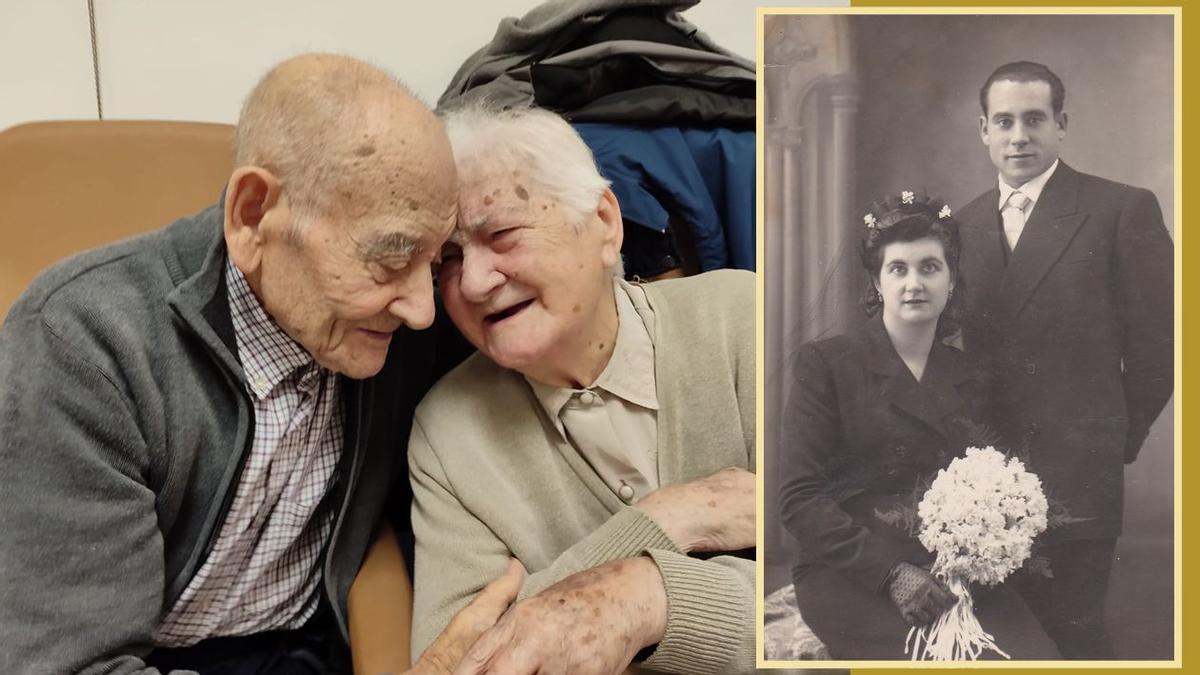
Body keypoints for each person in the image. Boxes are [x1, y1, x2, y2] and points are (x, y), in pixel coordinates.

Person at [0, 53, 512, 674]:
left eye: (432, 263)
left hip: (310, 646)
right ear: (252, 215)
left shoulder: (386, 324)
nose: (422, 310)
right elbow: (71, 664)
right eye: (391, 255)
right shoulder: (84, 346)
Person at [406, 105, 757, 675]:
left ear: (604, 222)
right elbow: (459, 661)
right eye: (447, 259)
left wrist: (655, 600)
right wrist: (672, 519)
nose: (471, 282)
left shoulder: (744, 319)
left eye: (502, 233)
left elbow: (875, 584)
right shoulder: (447, 431)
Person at [778, 193, 1060, 660]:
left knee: (1038, 660)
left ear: (951, 281)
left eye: (930, 268)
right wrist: (891, 573)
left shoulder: (974, 375)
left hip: (950, 571)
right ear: (877, 281)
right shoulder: (828, 365)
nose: (914, 283)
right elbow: (798, 499)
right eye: (898, 269)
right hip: (852, 572)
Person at [955, 61, 1174, 659]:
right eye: (1004, 121)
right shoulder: (962, 225)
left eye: (1034, 119)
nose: (1018, 136)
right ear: (983, 130)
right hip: (980, 479)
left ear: (1061, 125)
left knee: (1071, 636)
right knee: (996, 639)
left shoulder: (1120, 209)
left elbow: (1160, 349)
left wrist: (1110, 435)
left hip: (1079, 467)